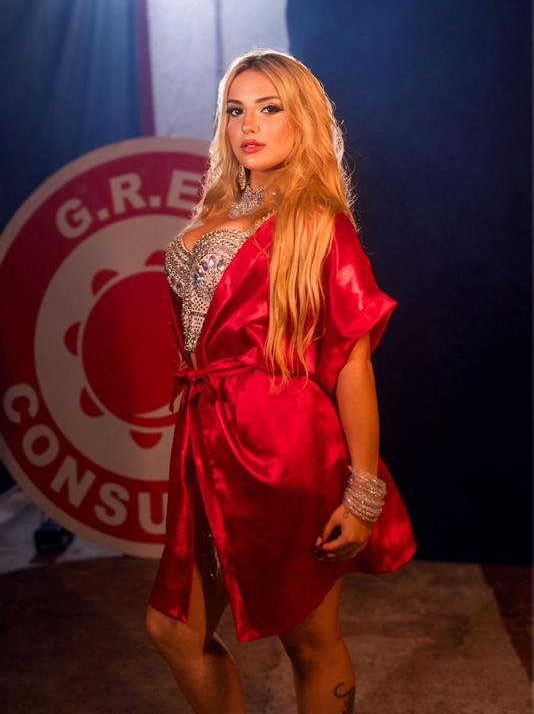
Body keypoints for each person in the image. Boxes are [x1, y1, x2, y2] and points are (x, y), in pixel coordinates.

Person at [145, 48, 417, 714]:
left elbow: (351, 362)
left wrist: (363, 491)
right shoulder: (213, 214)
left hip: (287, 451)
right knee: (173, 630)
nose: (249, 125)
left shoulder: (316, 223)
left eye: (270, 109)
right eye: (235, 110)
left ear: (304, 120)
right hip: (207, 440)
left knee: (310, 641)